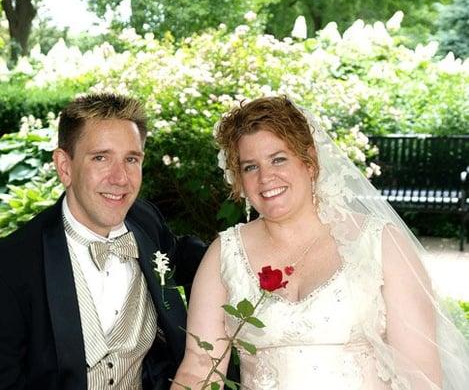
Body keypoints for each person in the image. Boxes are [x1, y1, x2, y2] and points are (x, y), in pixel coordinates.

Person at [172, 96, 469, 389]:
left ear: (309, 162)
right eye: (251, 167)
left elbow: (420, 375)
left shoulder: (379, 242)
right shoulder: (224, 254)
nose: (266, 178)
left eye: (278, 159)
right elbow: (199, 368)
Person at [0, 93, 206, 390]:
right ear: (64, 166)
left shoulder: (146, 222)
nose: (120, 178)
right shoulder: (0, 276)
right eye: (100, 157)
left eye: (131, 159)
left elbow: (188, 256)